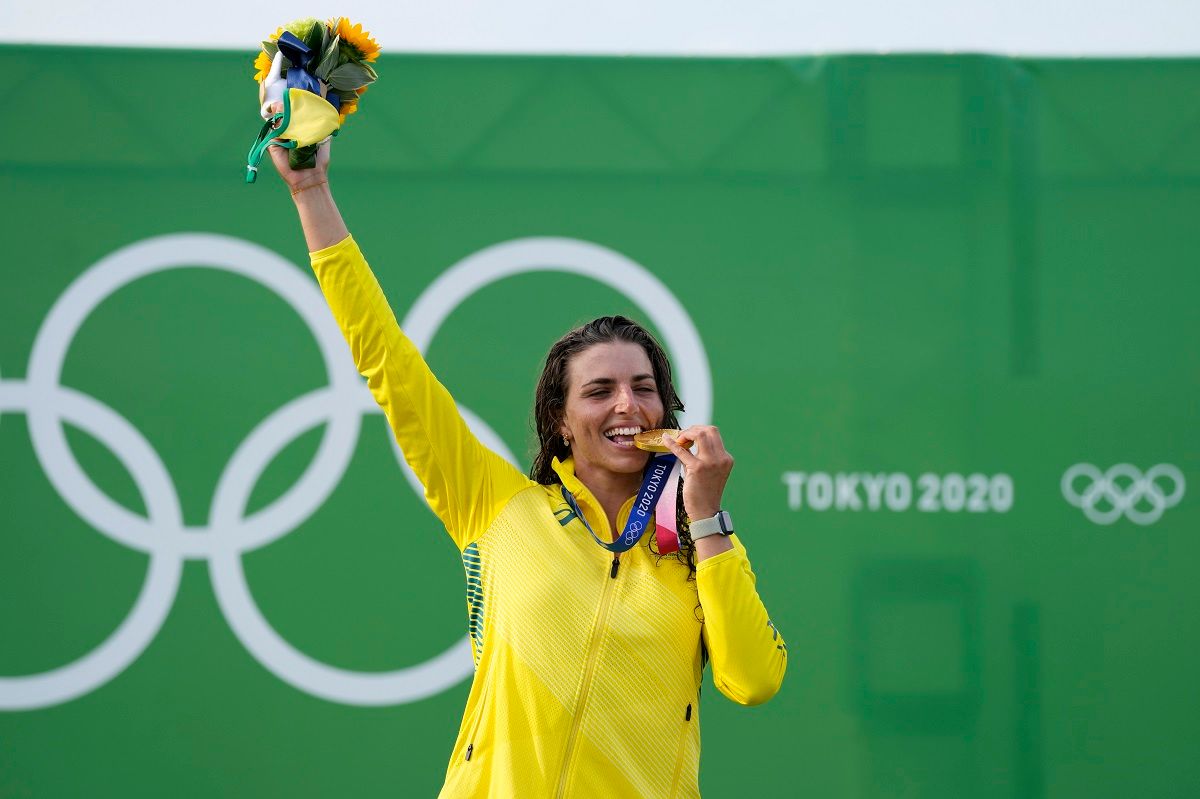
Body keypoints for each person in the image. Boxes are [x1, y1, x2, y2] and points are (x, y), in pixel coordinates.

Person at [270, 142, 786, 798]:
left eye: (644, 386)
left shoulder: (691, 544)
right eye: (599, 391)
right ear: (561, 419)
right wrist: (310, 190)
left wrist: (707, 516)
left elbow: (754, 679)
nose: (628, 404)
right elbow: (387, 361)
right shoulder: (494, 502)